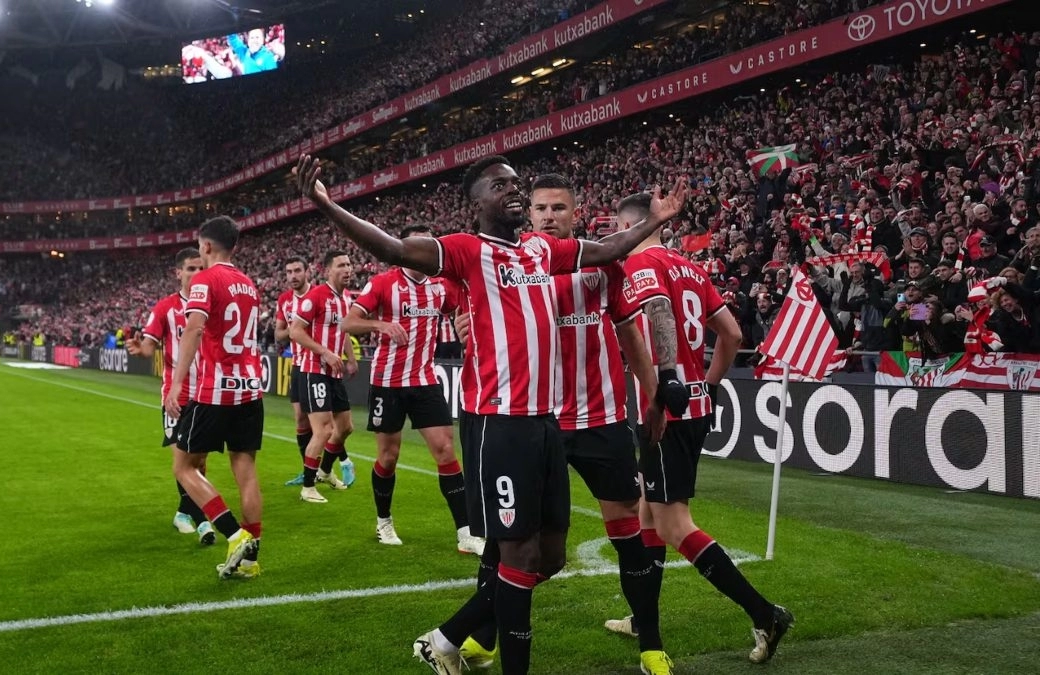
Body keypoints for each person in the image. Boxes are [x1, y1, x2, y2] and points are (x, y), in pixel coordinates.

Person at [294, 153, 686, 675]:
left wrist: (655, 219)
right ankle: (482, 650)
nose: (514, 191)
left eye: (516, 183)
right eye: (500, 186)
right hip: (500, 424)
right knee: (515, 555)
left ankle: (445, 639)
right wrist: (327, 205)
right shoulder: (465, 251)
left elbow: (609, 248)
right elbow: (390, 247)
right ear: (475, 203)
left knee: (551, 557)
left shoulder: (541, 251)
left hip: (546, 422)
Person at [456, 173, 665, 673]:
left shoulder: (601, 263)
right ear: (527, 213)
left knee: (627, 530)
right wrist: (460, 324)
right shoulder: (506, 263)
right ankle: (483, 639)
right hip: (534, 421)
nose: (549, 216)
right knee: (507, 541)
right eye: (541, 208)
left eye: (559, 208)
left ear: (576, 213)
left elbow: (629, 332)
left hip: (601, 417)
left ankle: (651, 644)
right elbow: (471, 321)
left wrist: (654, 395)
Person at [604, 193, 794, 668]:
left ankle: (765, 613)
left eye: (617, 227)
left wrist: (667, 389)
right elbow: (732, 334)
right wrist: (707, 385)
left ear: (629, 227)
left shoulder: (640, 264)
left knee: (672, 523)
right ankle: (643, 618)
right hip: (693, 405)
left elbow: (657, 320)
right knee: (648, 514)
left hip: (663, 411)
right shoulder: (690, 268)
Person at [340, 224, 484, 554]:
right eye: (416, 246)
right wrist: (380, 324)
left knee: (445, 451)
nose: (422, 252)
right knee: (388, 457)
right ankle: (384, 521)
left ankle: (466, 533)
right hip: (387, 383)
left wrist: (463, 323)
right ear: (404, 249)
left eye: (427, 246)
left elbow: (462, 305)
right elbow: (349, 322)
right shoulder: (383, 283)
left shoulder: (440, 286)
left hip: (424, 380)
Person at [163, 216, 263, 580]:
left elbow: (193, 329)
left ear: (205, 246)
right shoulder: (249, 284)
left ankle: (235, 535)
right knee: (245, 471)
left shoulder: (204, 280)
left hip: (215, 391)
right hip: (250, 388)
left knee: (184, 466)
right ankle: (251, 561)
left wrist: (176, 384)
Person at [126, 247, 215, 546]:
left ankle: (182, 513)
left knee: (199, 462)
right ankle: (204, 522)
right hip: (176, 397)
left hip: (207, 394)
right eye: (190, 268)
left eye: (201, 268)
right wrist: (141, 349)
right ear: (178, 273)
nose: (197, 274)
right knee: (183, 461)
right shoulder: (166, 307)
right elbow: (149, 346)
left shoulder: (213, 304)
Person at [289, 250, 359, 503]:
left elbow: (343, 330)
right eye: (341, 265)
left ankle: (326, 471)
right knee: (324, 430)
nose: (347, 269)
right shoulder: (316, 296)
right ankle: (308, 487)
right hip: (314, 370)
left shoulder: (346, 298)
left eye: (349, 264)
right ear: (327, 270)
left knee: (346, 427)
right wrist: (326, 352)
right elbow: (295, 332)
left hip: (334, 372)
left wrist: (350, 358)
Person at [274, 256, 315, 486]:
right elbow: (278, 334)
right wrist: (294, 329)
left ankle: (332, 466)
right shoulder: (284, 300)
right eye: (289, 272)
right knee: (300, 418)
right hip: (298, 365)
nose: (293, 276)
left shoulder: (319, 295)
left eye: (297, 270)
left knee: (326, 424)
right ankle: (308, 471)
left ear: (307, 272)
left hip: (318, 364)